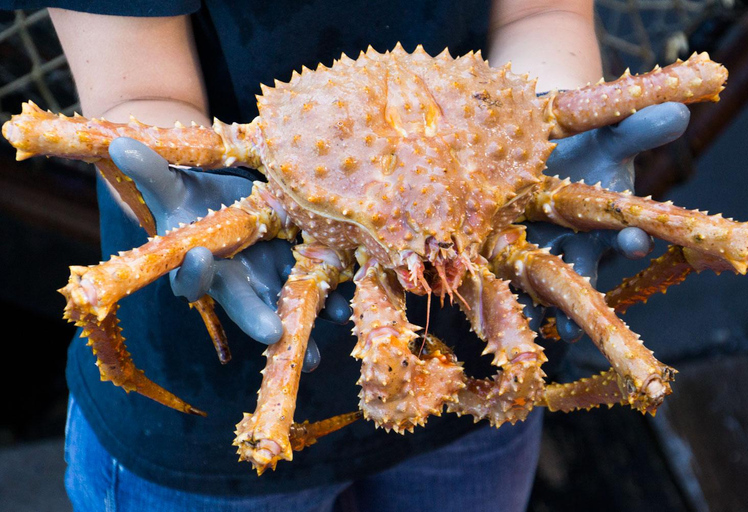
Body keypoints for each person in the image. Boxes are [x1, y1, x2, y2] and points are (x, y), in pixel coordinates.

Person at [3, 1, 690, 510]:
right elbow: (137, 97)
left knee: (649, 364)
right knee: (96, 290)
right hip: (206, 413)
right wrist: (184, 200)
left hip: (476, 381)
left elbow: (541, 11)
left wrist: (544, 137)